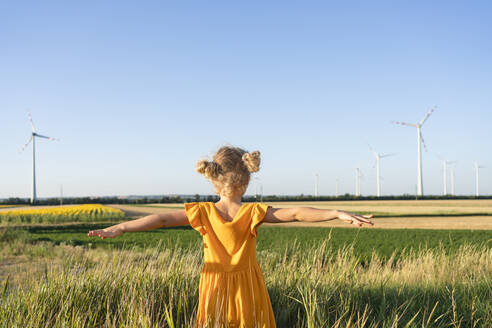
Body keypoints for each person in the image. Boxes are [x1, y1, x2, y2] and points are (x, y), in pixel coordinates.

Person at [88, 146, 373, 327]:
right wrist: (336, 212)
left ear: (212, 180)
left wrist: (122, 227)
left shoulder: (201, 212)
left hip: (213, 285)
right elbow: (296, 213)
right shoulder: (253, 212)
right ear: (247, 180)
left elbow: (161, 219)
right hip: (248, 286)